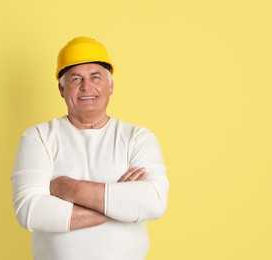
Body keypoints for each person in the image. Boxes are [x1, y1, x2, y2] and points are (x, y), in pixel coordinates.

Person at [11, 36, 169, 260]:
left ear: (110, 85)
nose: (86, 87)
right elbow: (31, 212)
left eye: (95, 77)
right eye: (76, 79)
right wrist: (119, 203)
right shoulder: (38, 137)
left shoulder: (137, 137)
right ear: (61, 88)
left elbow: (153, 202)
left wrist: (71, 189)